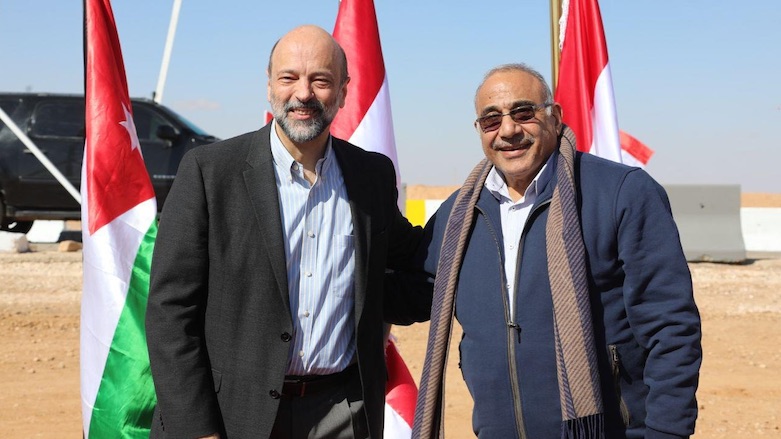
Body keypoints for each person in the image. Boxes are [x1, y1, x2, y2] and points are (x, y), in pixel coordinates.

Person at [145, 25, 430, 439]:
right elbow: (170, 313)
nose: (304, 93)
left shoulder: (371, 176)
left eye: (321, 80)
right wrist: (197, 430)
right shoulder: (209, 172)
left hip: (344, 413)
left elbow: (409, 259)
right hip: (232, 417)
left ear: (344, 91)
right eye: (289, 78)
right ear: (269, 86)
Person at [411, 64, 702, 439]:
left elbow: (671, 327)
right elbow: (413, 291)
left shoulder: (621, 193)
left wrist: (667, 432)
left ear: (555, 116)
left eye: (523, 112)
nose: (509, 130)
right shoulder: (458, 214)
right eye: (491, 120)